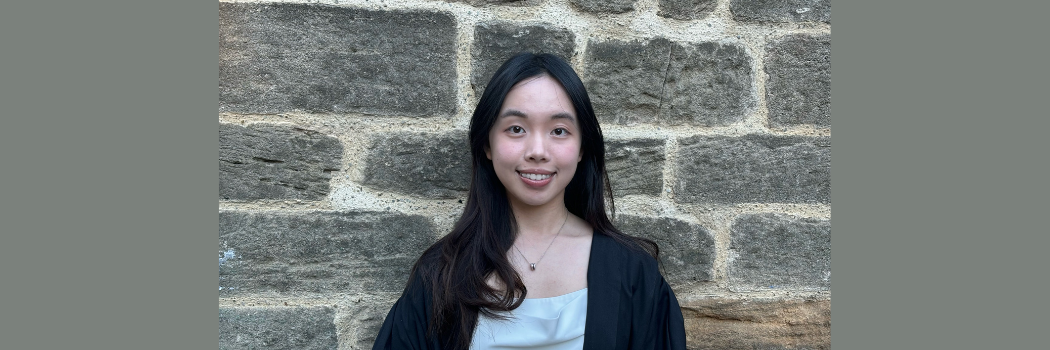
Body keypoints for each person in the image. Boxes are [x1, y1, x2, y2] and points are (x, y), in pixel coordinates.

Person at [372, 52, 686, 350]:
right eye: (516, 129)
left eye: (559, 130)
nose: (537, 150)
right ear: (487, 144)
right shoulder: (441, 273)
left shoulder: (633, 274)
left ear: (581, 148)